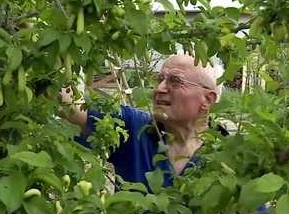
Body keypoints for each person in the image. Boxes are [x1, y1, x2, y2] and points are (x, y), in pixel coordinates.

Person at [60, 52, 228, 190]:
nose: (160, 88)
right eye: (160, 79)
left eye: (175, 81)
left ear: (207, 98)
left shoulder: (230, 157)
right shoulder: (133, 129)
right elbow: (70, 106)